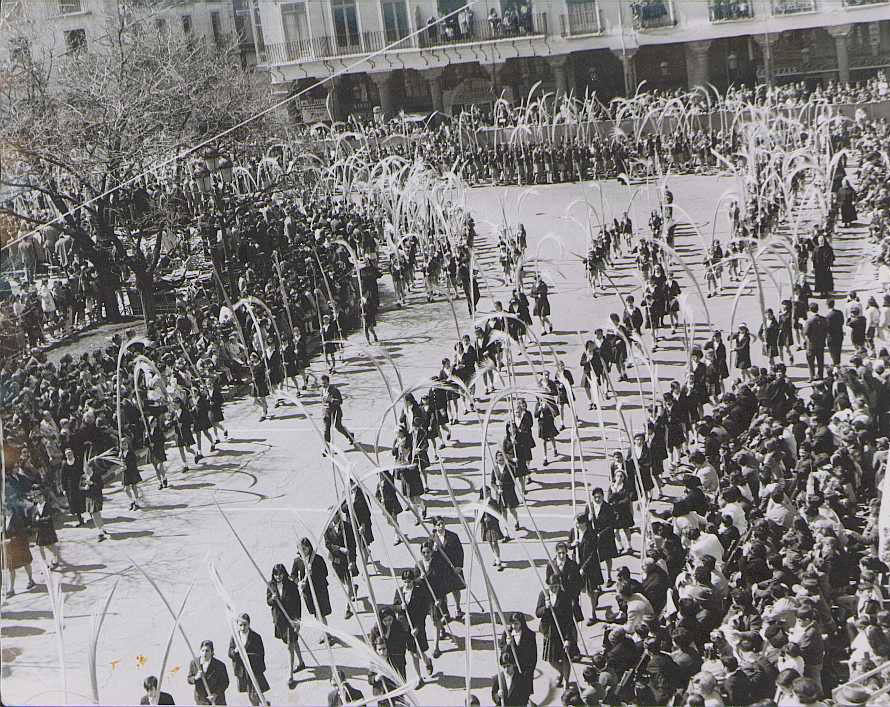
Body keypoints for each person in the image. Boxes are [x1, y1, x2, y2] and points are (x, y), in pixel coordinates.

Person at [267, 563, 305, 689]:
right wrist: (272, 599)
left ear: (284, 573)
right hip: (280, 620)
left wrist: (298, 620)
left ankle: (290, 675)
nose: (278, 577)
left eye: (280, 574)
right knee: (293, 641)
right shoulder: (271, 585)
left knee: (290, 646)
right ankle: (301, 662)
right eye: (276, 574)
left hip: (291, 619)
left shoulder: (291, 585)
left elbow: (298, 603)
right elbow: (268, 601)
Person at [291, 537, 333, 640]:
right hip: (308, 592)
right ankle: (325, 633)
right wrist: (299, 582)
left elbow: (325, 573)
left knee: (321, 613)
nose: (302, 551)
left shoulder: (317, 559)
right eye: (300, 549)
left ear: (309, 547)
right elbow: (293, 575)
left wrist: (313, 572)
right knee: (316, 613)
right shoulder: (297, 561)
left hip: (319, 590)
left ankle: (326, 634)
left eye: (304, 548)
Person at [228, 613, 269, 706]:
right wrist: (235, 651)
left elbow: (260, 653)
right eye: (240, 625)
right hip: (242, 671)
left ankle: (261, 703)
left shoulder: (256, 637)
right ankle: (262, 702)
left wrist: (247, 656)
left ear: (249, 624)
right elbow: (230, 652)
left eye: (245, 625)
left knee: (254, 693)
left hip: (254, 670)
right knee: (250, 693)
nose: (243, 628)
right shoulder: (235, 637)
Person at [320, 374, 355, 456]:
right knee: (326, 430)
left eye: (325, 383)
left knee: (338, 427)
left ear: (328, 382)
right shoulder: (322, 390)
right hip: (326, 413)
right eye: (322, 384)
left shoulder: (334, 390)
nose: (323, 385)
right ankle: (327, 448)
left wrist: (331, 400)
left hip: (335, 412)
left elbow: (340, 401)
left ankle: (350, 435)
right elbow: (322, 400)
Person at [187, 640, 230, 706]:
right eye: (203, 651)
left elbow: (225, 683)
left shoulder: (220, 665)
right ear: (200, 651)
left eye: (207, 651)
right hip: (201, 701)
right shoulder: (194, 663)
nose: (204, 653)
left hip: (217, 701)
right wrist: (196, 677)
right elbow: (189, 679)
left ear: (212, 652)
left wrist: (215, 694)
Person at [804, 302, 828, 382]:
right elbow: (826, 330)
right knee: (820, 360)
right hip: (821, 343)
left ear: (810, 310)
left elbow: (806, 333)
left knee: (811, 362)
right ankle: (820, 375)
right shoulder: (823, 319)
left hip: (811, 344)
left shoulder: (809, 321)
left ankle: (812, 376)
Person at [825, 299, 845, 367]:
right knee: (838, 349)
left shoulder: (828, 316)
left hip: (831, 336)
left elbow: (827, 327)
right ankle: (838, 362)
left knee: (832, 350)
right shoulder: (839, 312)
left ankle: (835, 363)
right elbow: (842, 322)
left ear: (827, 305)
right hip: (839, 333)